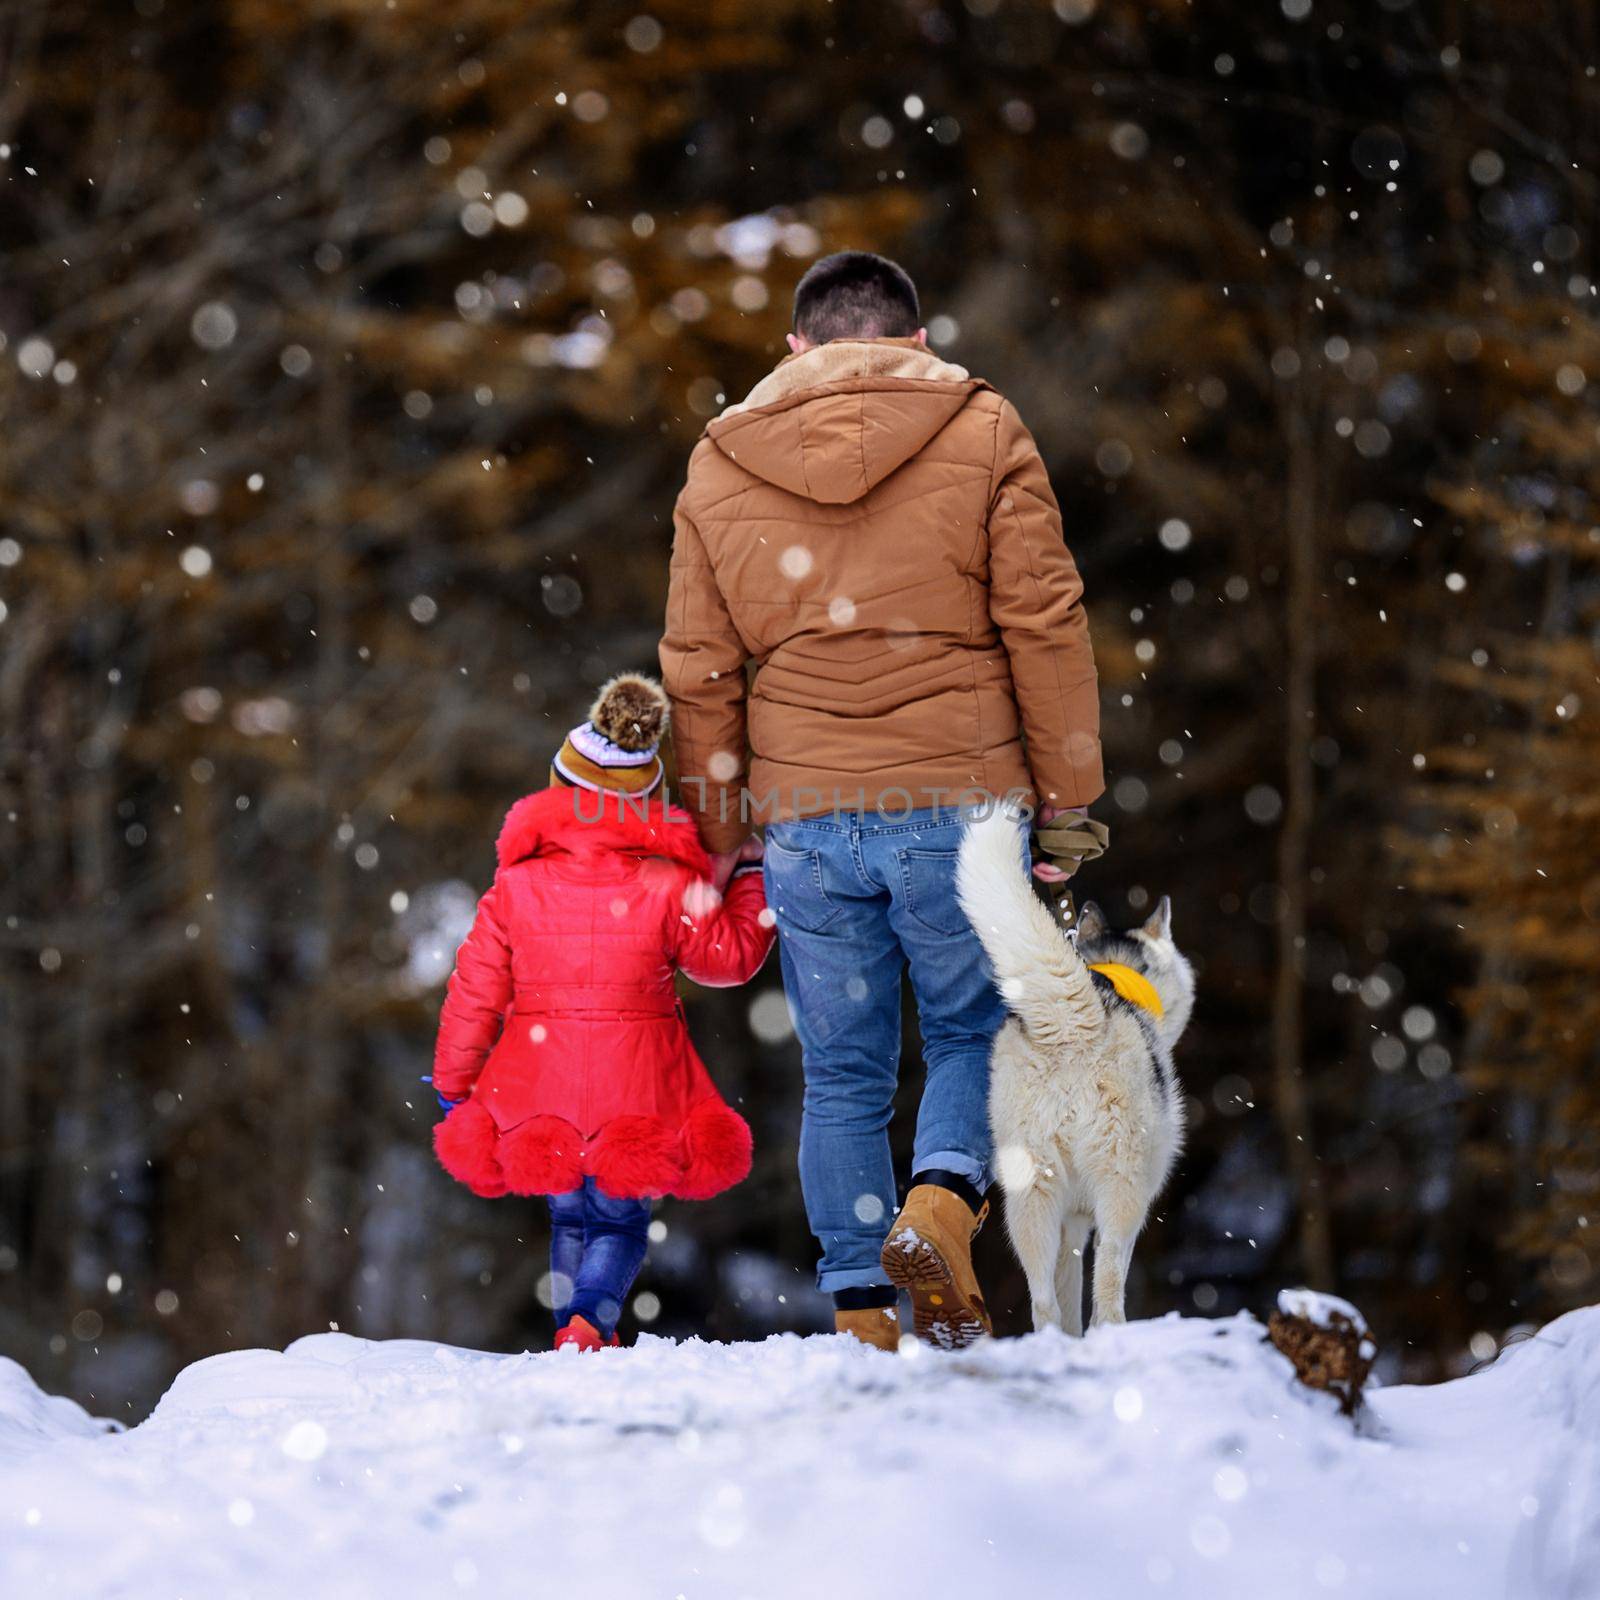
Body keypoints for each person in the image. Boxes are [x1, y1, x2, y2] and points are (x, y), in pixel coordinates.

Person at [660, 251, 1103, 1351]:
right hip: (960, 807)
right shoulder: (983, 426)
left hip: (804, 820)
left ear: (795, 350)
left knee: (842, 1069)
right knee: (969, 1031)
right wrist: (1067, 802)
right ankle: (942, 1206)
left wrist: (723, 836)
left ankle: (863, 1313)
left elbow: (697, 669)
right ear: (917, 343)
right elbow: (1045, 622)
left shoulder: (721, 460)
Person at [430, 674, 773, 1350]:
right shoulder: (667, 883)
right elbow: (728, 959)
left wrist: (453, 1080)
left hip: (539, 1078)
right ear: (647, 801)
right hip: (636, 1083)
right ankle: (590, 1321)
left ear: (560, 794)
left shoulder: (515, 888)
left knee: (571, 1219)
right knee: (618, 1222)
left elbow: (474, 992)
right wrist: (753, 878)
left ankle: (571, 1328)